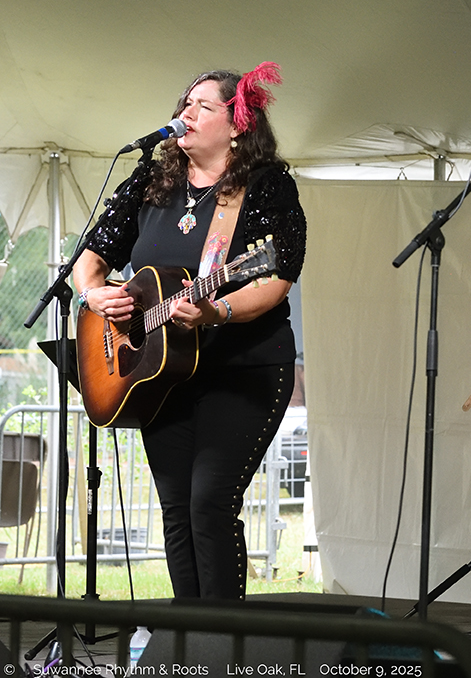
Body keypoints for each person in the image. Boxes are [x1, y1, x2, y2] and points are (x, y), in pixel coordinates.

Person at [72, 63, 307, 600]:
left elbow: (275, 278)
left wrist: (215, 312)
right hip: (162, 374)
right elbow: (91, 257)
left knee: (210, 504)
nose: (188, 114)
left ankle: (223, 637)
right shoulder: (150, 182)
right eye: (185, 104)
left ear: (238, 124)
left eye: (204, 106)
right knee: (176, 509)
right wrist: (93, 294)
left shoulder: (266, 186)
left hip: (242, 369)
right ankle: (186, 635)